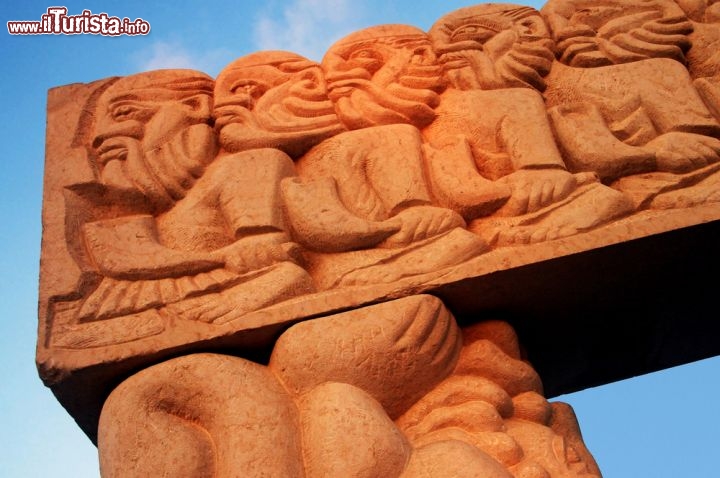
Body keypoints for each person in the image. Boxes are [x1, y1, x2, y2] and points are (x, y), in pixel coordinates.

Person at [73, 68, 314, 325]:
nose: (99, 135)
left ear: (195, 106)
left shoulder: (249, 162)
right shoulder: (142, 206)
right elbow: (119, 257)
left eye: (123, 113)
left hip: (216, 286)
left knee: (287, 278)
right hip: (130, 300)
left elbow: (262, 250)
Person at [425, 4, 633, 245]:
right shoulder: (424, 121)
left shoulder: (520, 98)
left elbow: (550, 178)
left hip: (547, 199)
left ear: (529, 29)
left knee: (605, 199)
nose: (446, 53)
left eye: (473, 34)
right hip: (501, 209)